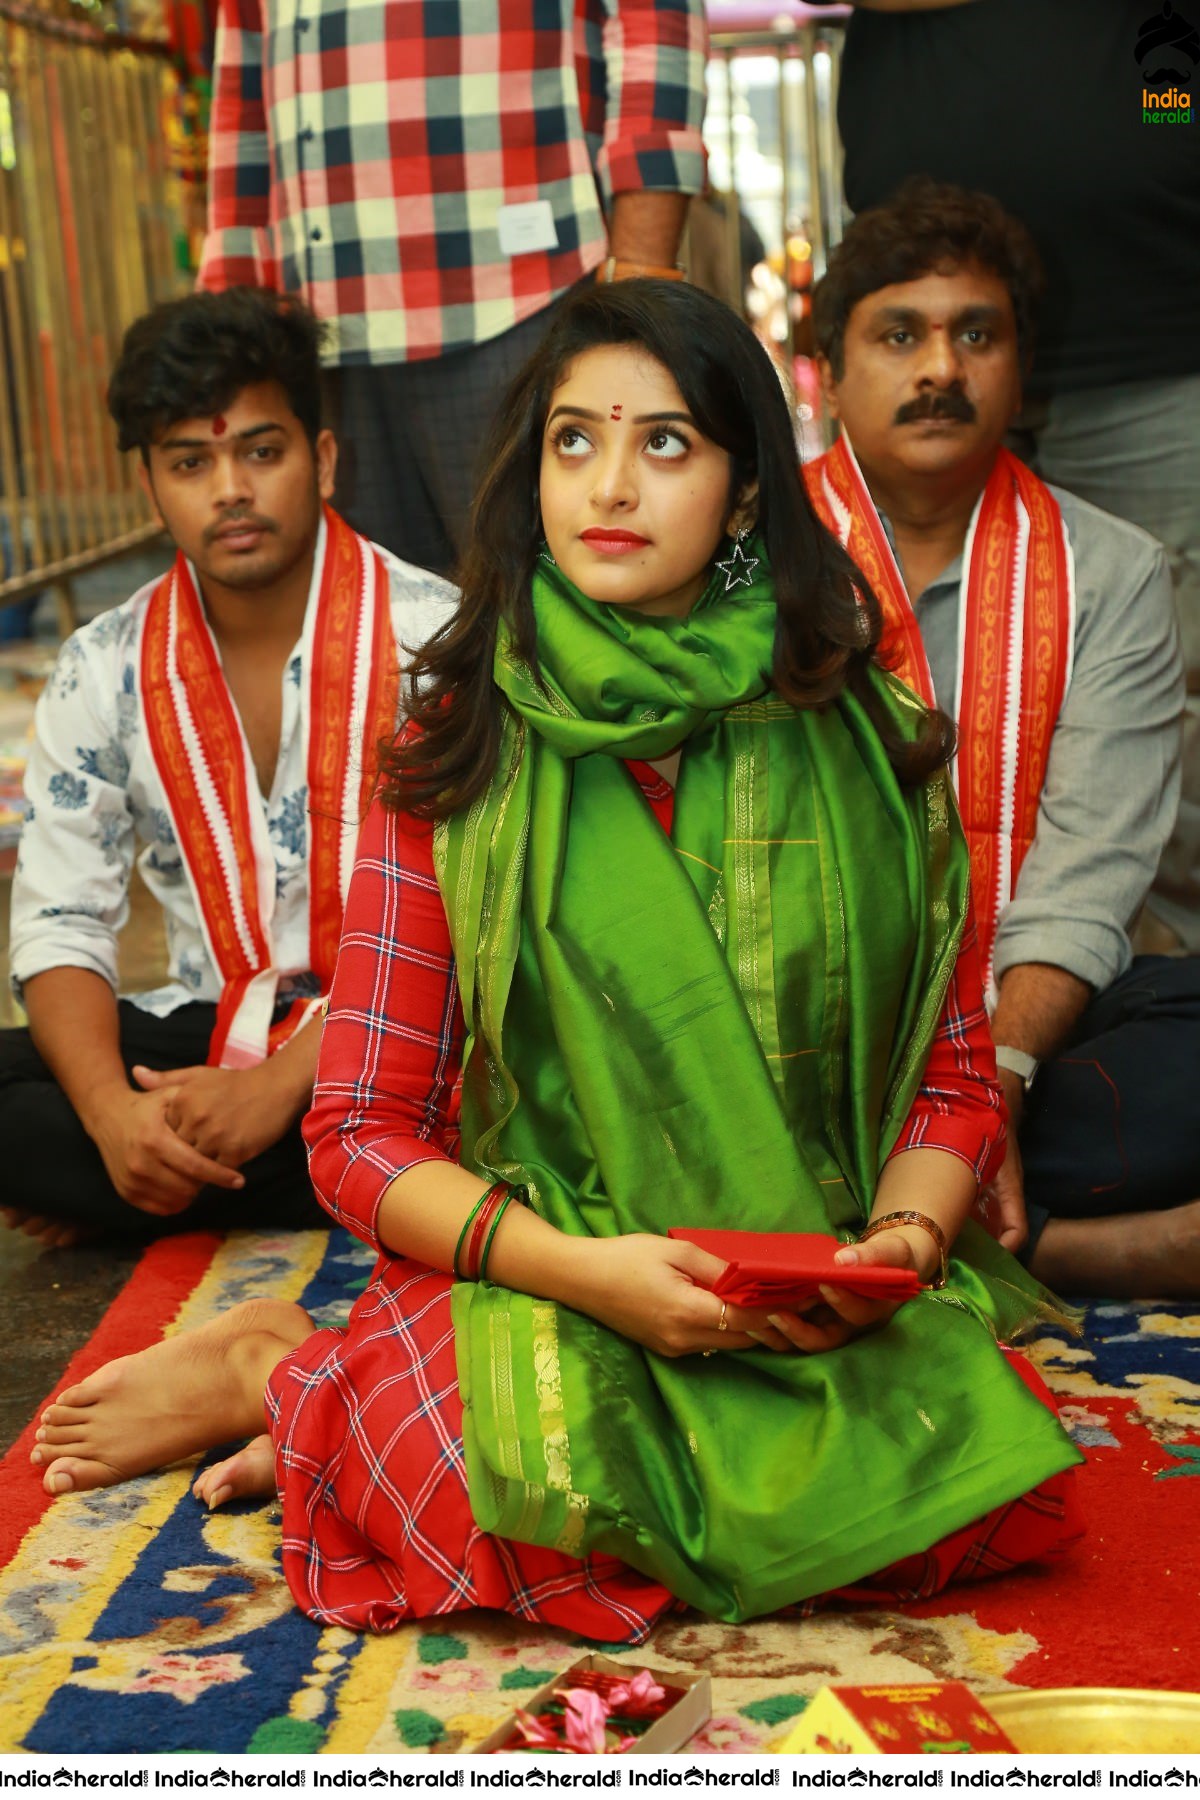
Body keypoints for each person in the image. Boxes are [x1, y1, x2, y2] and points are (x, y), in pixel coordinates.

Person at [28, 280, 1082, 1642]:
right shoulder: (463, 744)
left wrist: (897, 1243)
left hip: (809, 1285)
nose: (611, 485)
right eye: (574, 442)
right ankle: (297, 1368)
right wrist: (597, 1276)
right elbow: (354, 1134)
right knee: (501, 1497)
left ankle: (321, 1376)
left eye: (665, 443)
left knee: (980, 1504)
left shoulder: (866, 741)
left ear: (746, 490)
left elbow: (948, 1083)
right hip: (567, 1268)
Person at [805, 178, 1199, 1296]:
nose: (941, 369)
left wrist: (992, 1086)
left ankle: (902, 1211)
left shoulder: (1108, 569)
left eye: (976, 335)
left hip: (1033, 1035)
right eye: (900, 336)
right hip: (804, 1030)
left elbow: (1090, 875)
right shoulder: (747, 558)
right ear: (831, 371)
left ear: (1019, 368)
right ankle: (1065, 1244)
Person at [2, 287, 454, 1248]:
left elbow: (487, 930)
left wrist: (277, 1089)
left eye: (261, 450)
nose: (230, 490)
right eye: (190, 462)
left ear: (322, 460)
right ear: (152, 486)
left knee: (505, 1080)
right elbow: (61, 923)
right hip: (214, 1026)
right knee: (34, 1082)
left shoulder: (440, 642)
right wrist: (113, 1119)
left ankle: (173, 1183)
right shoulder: (103, 665)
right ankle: (209, 1167)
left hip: (404, 1035)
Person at [808, 0, 1200, 954]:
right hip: (923, 328)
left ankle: (1170, 991)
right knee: (912, 664)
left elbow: (1170, 100)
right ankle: (960, 981)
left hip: (1154, 334)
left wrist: (1163, 115)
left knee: (1177, 693)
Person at [199, 0, 709, 575]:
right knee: (380, 644)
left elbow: (655, 19)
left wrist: (638, 278)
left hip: (523, 299)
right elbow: (242, 78)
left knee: (560, 633)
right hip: (320, 332)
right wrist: (231, 326)